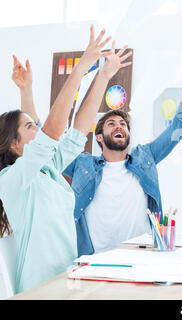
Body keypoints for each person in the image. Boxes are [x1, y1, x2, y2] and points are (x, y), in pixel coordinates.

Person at [0, 25, 130, 293]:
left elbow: (78, 130)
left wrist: (104, 75)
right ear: (13, 144)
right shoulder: (10, 180)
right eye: (29, 127)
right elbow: (50, 131)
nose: (37, 127)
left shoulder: (48, 170)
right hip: (39, 291)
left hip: (67, 282)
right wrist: (81, 68)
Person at [63, 46, 182, 256]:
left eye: (123, 124)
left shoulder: (145, 156)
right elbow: (47, 146)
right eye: (111, 124)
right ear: (99, 137)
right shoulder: (82, 164)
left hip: (141, 258)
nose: (119, 126)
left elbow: (180, 124)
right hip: (93, 259)